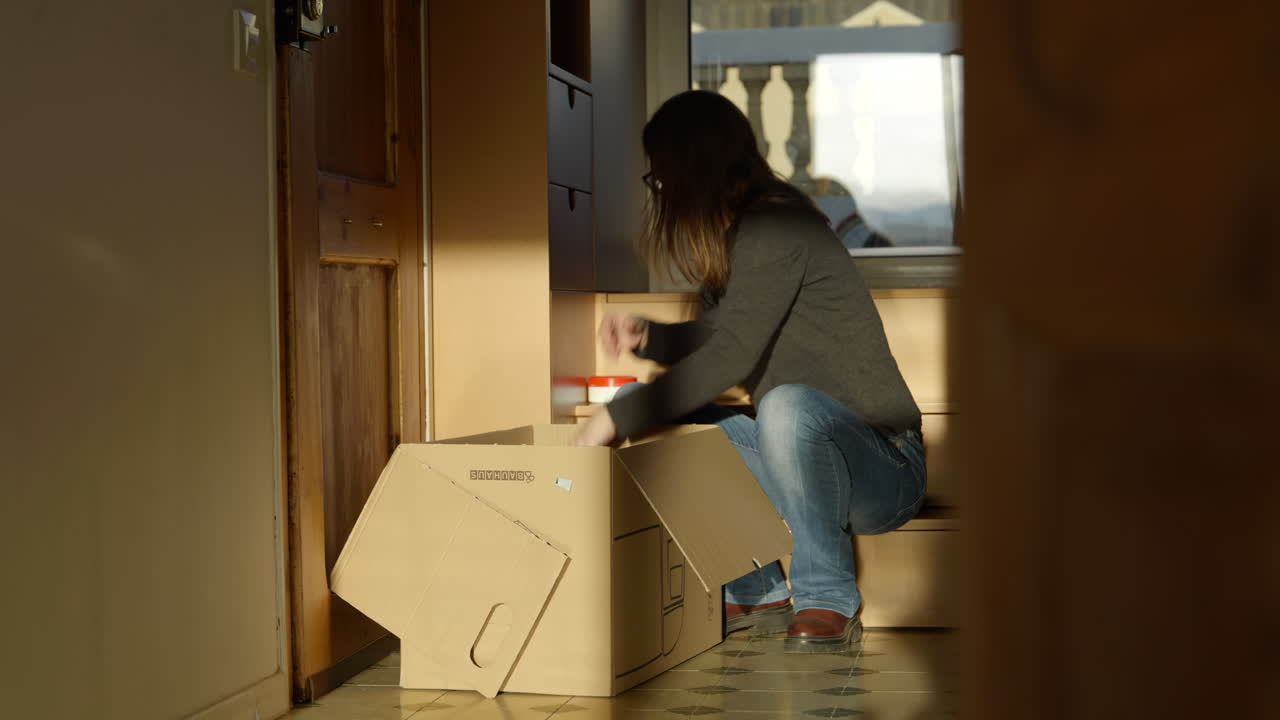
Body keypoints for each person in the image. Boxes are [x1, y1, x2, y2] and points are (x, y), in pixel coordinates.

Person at [573, 90, 926, 654]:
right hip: (810, 466)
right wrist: (651, 337)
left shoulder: (780, 228)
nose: (659, 191)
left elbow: (732, 354)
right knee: (688, 424)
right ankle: (756, 584)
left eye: (659, 177)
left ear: (691, 168)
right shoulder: (745, 240)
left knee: (784, 405)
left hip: (886, 469)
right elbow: (722, 337)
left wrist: (617, 413)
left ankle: (827, 596)